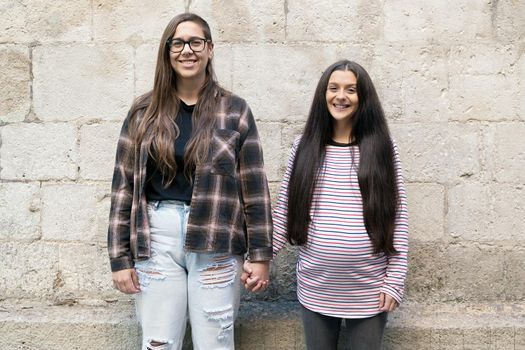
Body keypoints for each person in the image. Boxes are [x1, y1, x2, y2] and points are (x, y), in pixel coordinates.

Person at [107, 13, 272, 350]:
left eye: (196, 42)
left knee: (216, 342)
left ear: (209, 49)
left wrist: (260, 255)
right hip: (156, 238)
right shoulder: (143, 113)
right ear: (167, 52)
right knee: (159, 343)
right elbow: (123, 188)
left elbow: (254, 188)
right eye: (178, 43)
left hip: (217, 239)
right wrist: (119, 258)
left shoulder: (235, 111)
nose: (187, 50)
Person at [243, 60, 408, 349]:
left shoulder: (382, 148)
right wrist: (260, 259)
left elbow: (398, 215)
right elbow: (284, 214)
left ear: (363, 98)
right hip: (316, 289)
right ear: (323, 94)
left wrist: (394, 278)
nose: (341, 96)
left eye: (351, 90)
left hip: (369, 291)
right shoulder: (304, 147)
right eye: (333, 88)